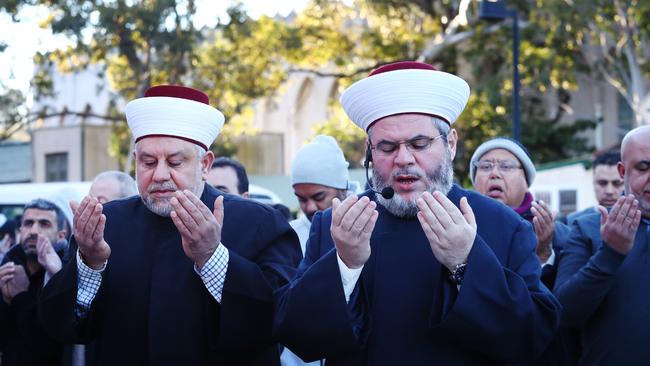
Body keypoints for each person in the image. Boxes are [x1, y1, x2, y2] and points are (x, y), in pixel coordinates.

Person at [274, 61, 560, 365]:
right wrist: (344, 265)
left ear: (450, 144)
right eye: (386, 147)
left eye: (419, 144)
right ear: (369, 152)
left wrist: (465, 263)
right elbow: (296, 334)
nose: (403, 159)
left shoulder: (503, 225)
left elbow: (532, 338)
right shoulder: (336, 225)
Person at [39, 85, 302, 365]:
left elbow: (281, 321)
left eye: (175, 162)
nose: (160, 175)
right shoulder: (107, 223)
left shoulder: (260, 223)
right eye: (148, 162)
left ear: (205, 164)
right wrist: (89, 264)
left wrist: (213, 257)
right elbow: (62, 327)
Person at [554, 125, 649, 365]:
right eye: (643, 168)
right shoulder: (588, 228)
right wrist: (610, 254)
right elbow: (562, 313)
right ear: (622, 170)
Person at [469, 137, 570, 289]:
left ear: (526, 181)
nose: (494, 173)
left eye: (506, 166)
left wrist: (543, 251)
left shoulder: (557, 231)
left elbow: (555, 299)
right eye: (485, 166)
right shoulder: (457, 223)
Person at [0, 199, 69, 366]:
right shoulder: (7, 266)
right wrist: (5, 302)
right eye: (28, 223)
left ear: (61, 235)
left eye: (44, 224)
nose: (34, 231)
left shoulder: (67, 272)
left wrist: (20, 297)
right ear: (20, 229)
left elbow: (51, 347)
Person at [289, 135, 351, 253]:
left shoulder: (371, 224)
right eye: (302, 199)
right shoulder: (292, 236)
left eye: (319, 197)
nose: (310, 208)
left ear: (343, 189)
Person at [565, 149, 623, 224]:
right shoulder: (574, 221)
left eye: (617, 183)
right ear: (593, 183)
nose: (609, 191)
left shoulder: (640, 221)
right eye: (602, 183)